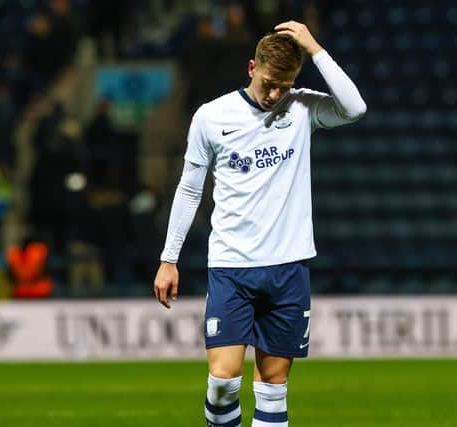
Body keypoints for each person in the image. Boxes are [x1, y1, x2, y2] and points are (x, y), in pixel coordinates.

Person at [153, 21, 366, 427]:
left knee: (273, 385)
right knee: (223, 381)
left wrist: (315, 48)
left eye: (284, 86)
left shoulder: (302, 107)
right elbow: (189, 190)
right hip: (232, 266)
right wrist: (169, 258)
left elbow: (355, 109)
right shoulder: (211, 117)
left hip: (289, 267)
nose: (275, 95)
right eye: (270, 83)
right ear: (252, 67)